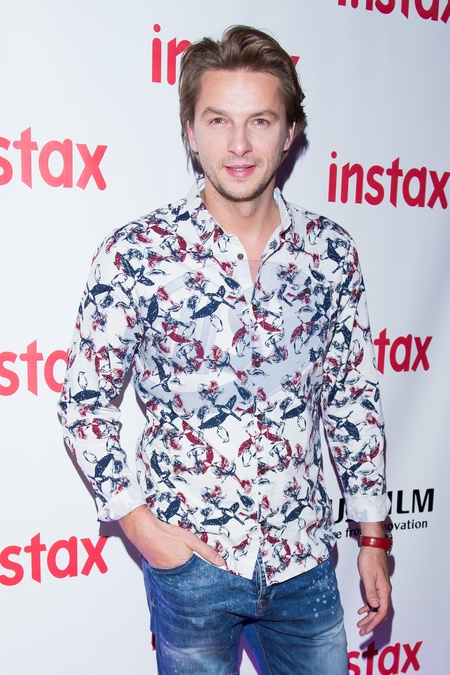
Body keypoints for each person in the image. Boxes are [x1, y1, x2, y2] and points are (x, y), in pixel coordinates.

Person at [58, 25, 392, 674]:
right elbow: (84, 401)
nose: (239, 145)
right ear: (190, 131)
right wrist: (143, 528)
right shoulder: (138, 253)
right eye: (218, 120)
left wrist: (373, 536)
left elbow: (351, 397)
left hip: (305, 561)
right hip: (192, 566)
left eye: (260, 121)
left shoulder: (330, 253)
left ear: (290, 133)